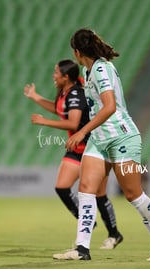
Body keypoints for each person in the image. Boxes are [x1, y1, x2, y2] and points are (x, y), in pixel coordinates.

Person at [53, 29, 150, 261]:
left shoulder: (101, 69)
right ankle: (81, 249)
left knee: (133, 194)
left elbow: (109, 106)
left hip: (122, 138)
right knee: (86, 187)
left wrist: (82, 132)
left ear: (77, 52)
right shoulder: (89, 72)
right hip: (99, 140)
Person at [24, 59, 123, 249]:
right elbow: (58, 109)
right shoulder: (65, 93)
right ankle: (88, 221)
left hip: (92, 148)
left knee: (100, 194)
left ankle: (114, 234)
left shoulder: (76, 93)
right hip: (76, 149)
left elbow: (73, 123)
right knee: (62, 187)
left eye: (56, 73)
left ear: (65, 77)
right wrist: (35, 97)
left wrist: (44, 122)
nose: (53, 76)